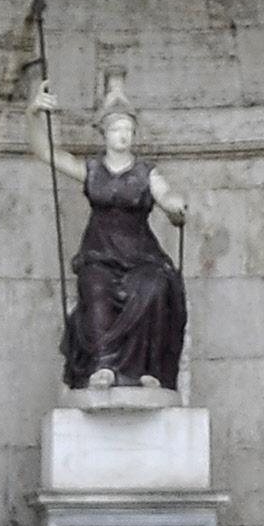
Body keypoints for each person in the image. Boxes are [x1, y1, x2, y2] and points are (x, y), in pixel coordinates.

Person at [33, 74, 190, 391]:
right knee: (95, 286)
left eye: (128, 130)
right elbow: (46, 152)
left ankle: (150, 370)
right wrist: (33, 113)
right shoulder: (91, 171)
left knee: (156, 286)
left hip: (141, 256)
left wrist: (176, 207)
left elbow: (167, 196)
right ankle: (103, 365)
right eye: (117, 129)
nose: (123, 136)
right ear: (104, 133)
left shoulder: (146, 173)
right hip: (100, 255)